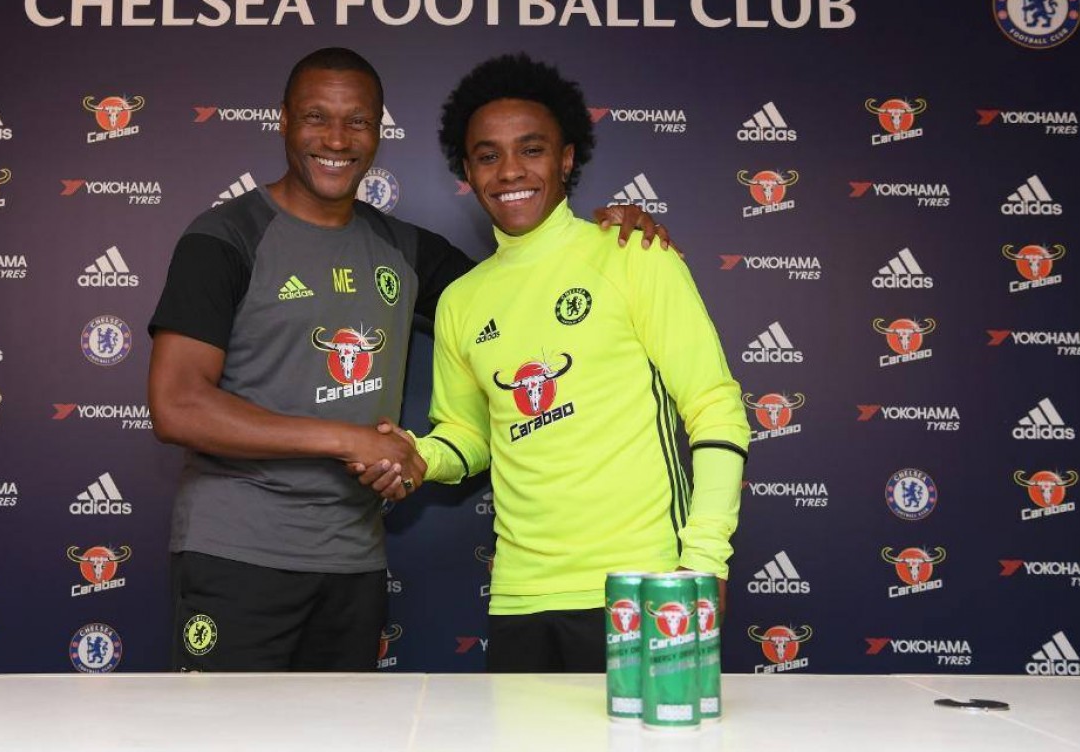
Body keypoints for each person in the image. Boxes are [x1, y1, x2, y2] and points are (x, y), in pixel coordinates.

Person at [147, 47, 670, 672]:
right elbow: (177, 406)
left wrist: (609, 238)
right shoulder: (224, 237)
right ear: (283, 120)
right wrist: (345, 438)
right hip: (236, 553)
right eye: (316, 117)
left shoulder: (402, 247)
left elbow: (522, 295)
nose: (336, 139)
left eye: (357, 121)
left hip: (354, 562)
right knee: (223, 725)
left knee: (343, 724)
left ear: (378, 131)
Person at [360, 53, 748, 673]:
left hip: (646, 588)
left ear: (566, 159)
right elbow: (468, 436)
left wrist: (703, 560)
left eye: (532, 149)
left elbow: (715, 408)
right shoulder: (462, 300)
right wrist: (416, 455)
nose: (510, 170)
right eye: (488, 155)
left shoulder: (634, 253)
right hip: (520, 598)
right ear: (468, 172)